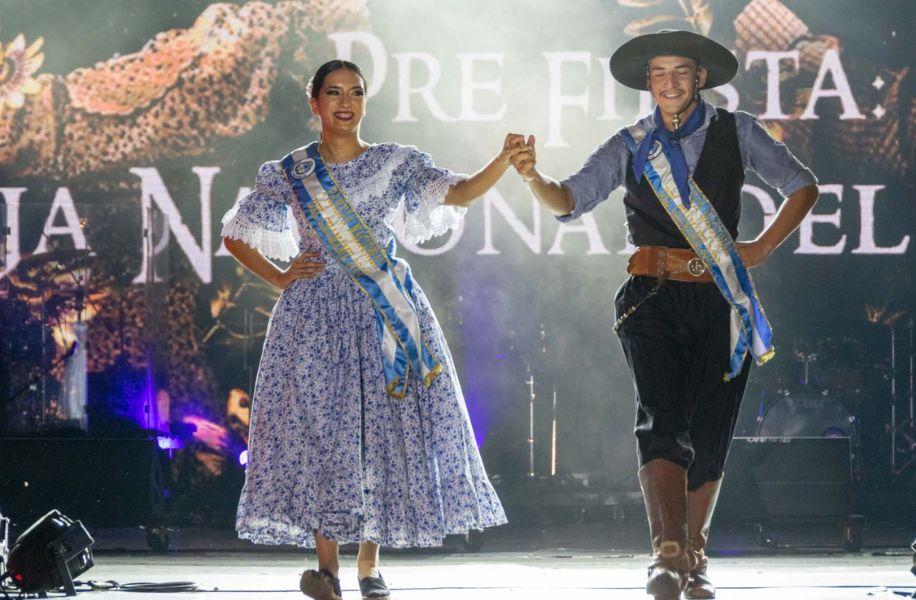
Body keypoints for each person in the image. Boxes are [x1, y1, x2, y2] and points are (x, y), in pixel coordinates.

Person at [507, 30, 818, 600]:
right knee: (661, 417)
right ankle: (667, 553)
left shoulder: (738, 130)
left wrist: (764, 246)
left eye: (681, 72)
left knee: (710, 428)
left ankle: (694, 558)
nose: (670, 82)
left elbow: (803, 186)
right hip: (650, 296)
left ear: (700, 78)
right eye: (659, 73)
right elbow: (570, 199)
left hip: (723, 299)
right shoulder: (629, 143)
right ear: (647, 81)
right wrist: (530, 175)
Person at [222, 59, 509, 600]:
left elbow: (461, 193)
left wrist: (503, 161)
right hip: (313, 317)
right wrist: (281, 277)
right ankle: (326, 568)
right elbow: (237, 236)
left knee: (379, 432)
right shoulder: (291, 170)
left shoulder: (394, 162)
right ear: (315, 103)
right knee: (323, 435)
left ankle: (369, 568)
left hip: (385, 311)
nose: (345, 101)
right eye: (333, 92)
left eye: (356, 92)